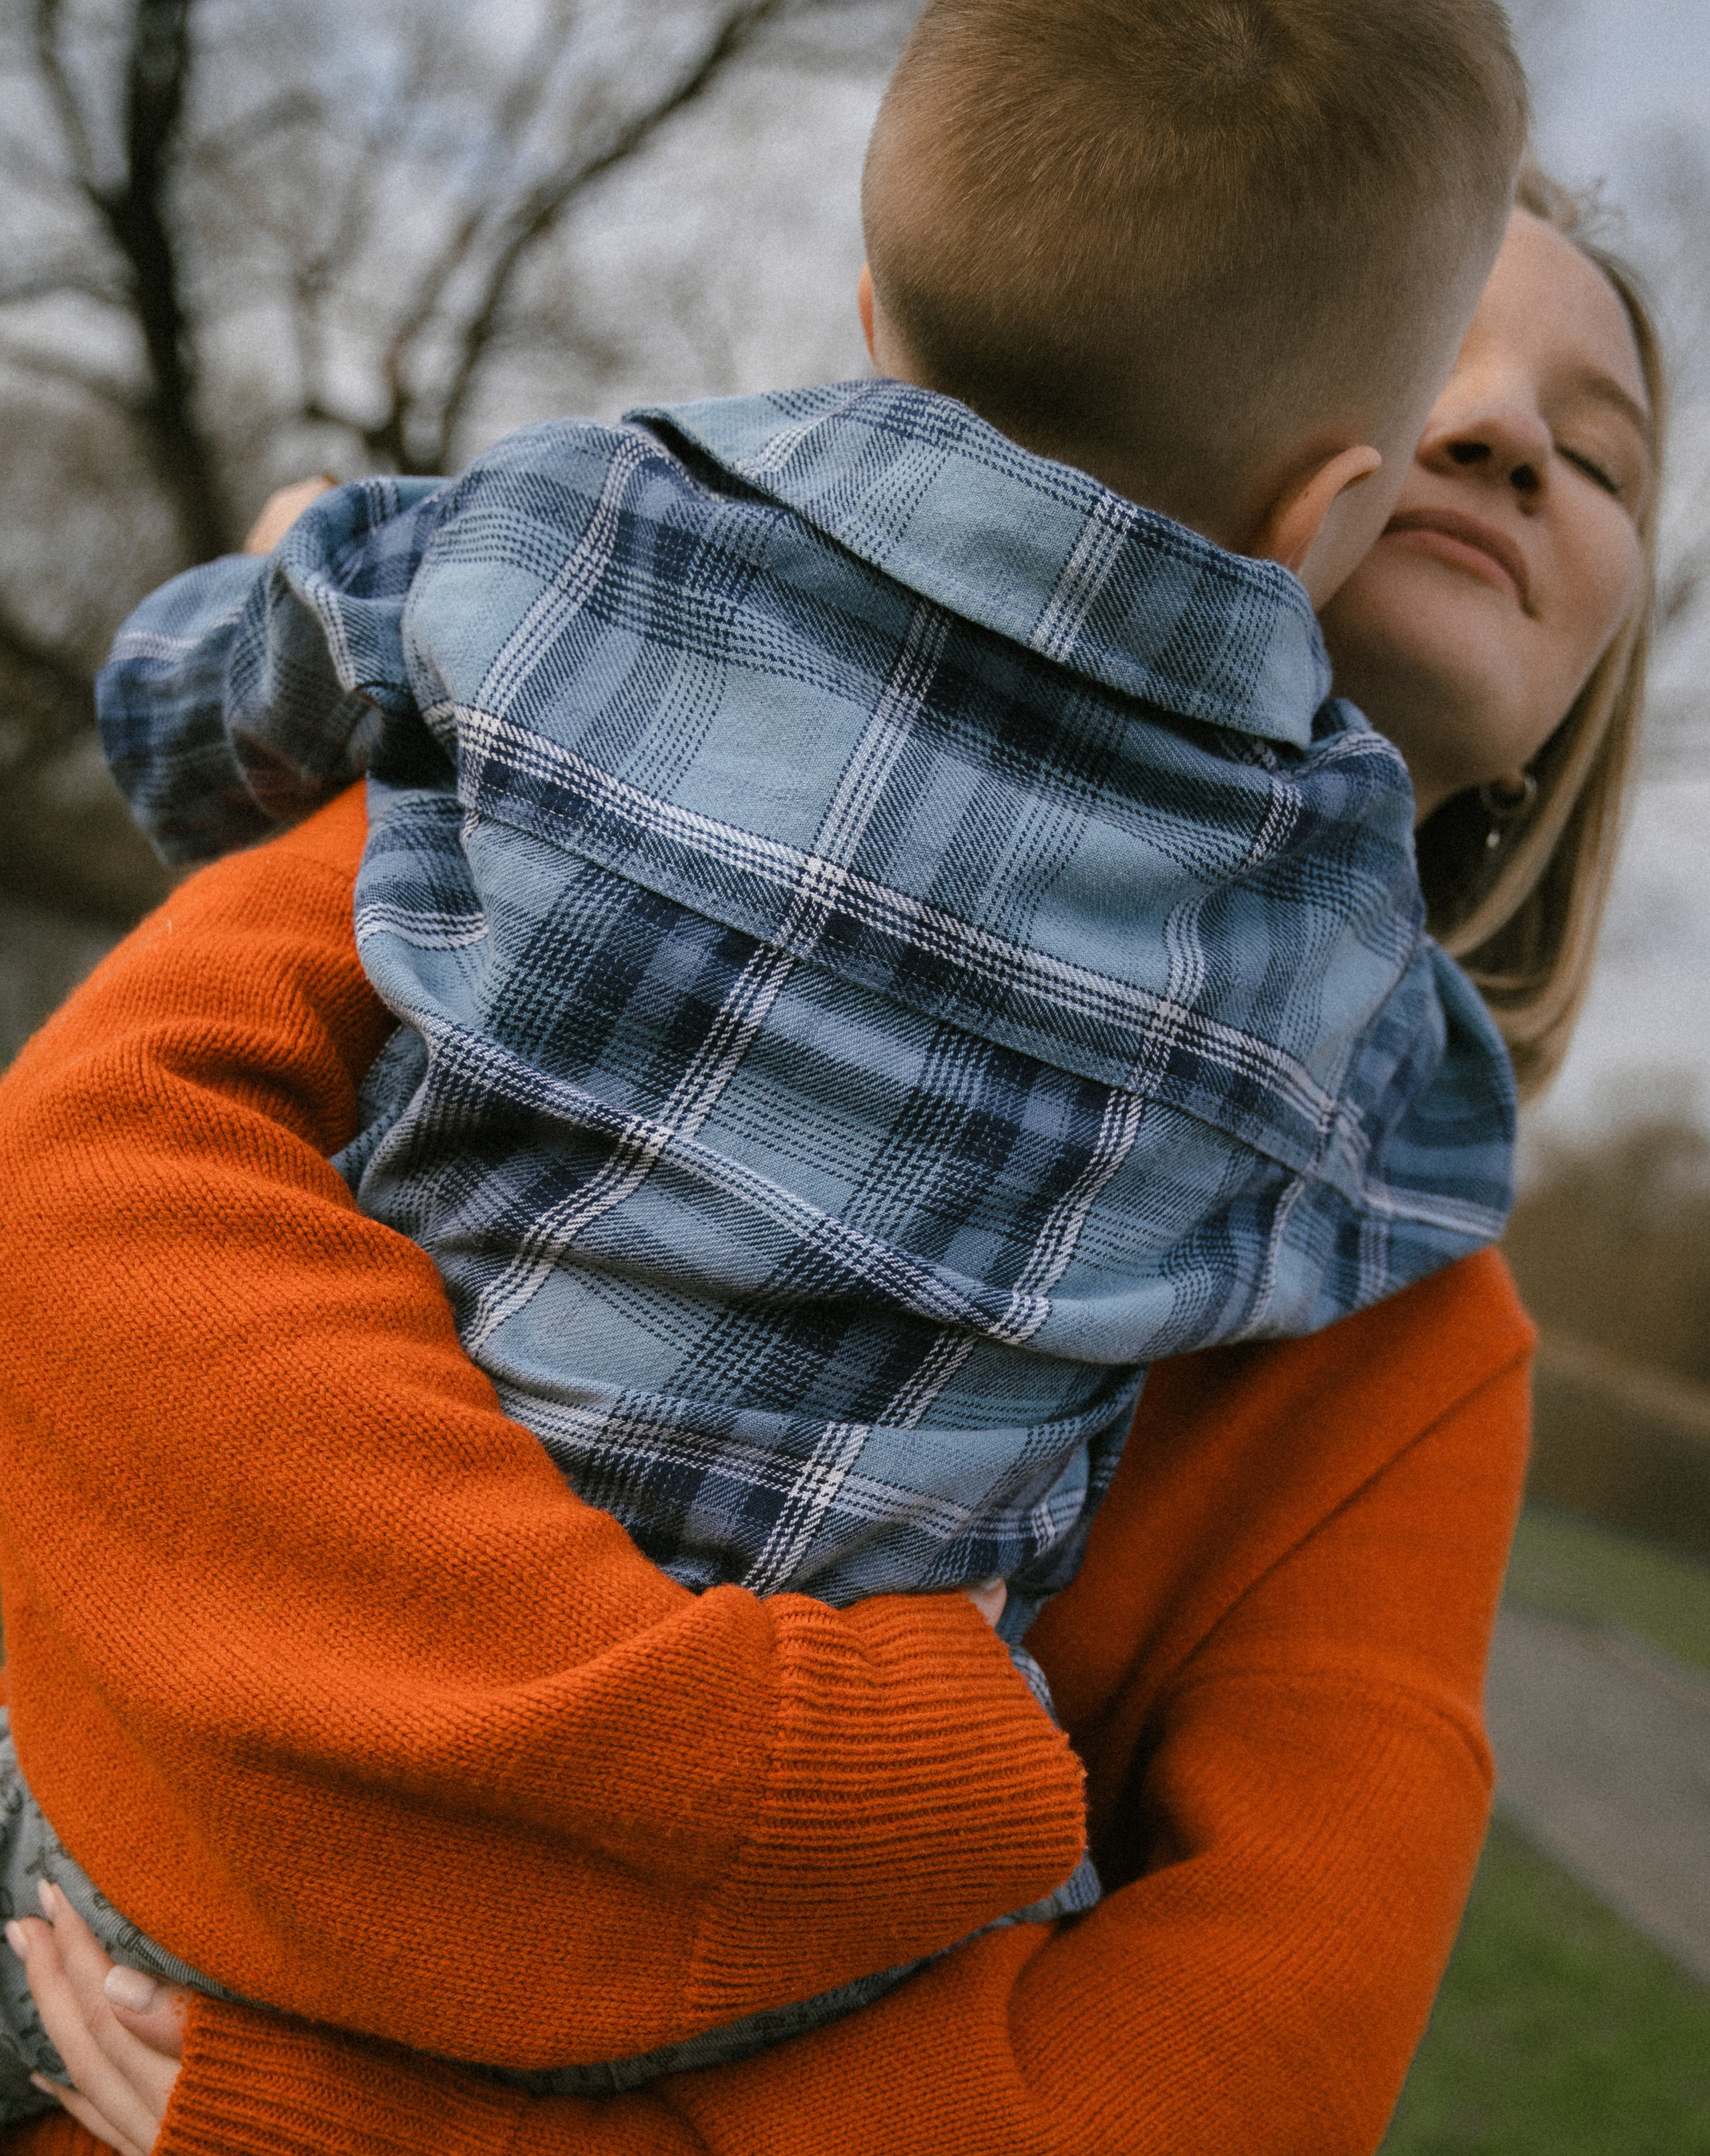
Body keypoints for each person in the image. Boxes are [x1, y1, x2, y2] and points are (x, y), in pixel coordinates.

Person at [0, 137, 1659, 2156]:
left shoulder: (1415, 1323)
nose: (1498, 438)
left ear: (1581, 706)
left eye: (1605, 453)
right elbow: (88, 1194)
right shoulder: (601, 790)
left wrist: (422, 2129)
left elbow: (1241, 2066)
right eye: (1436, 357)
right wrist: (795, 1770)